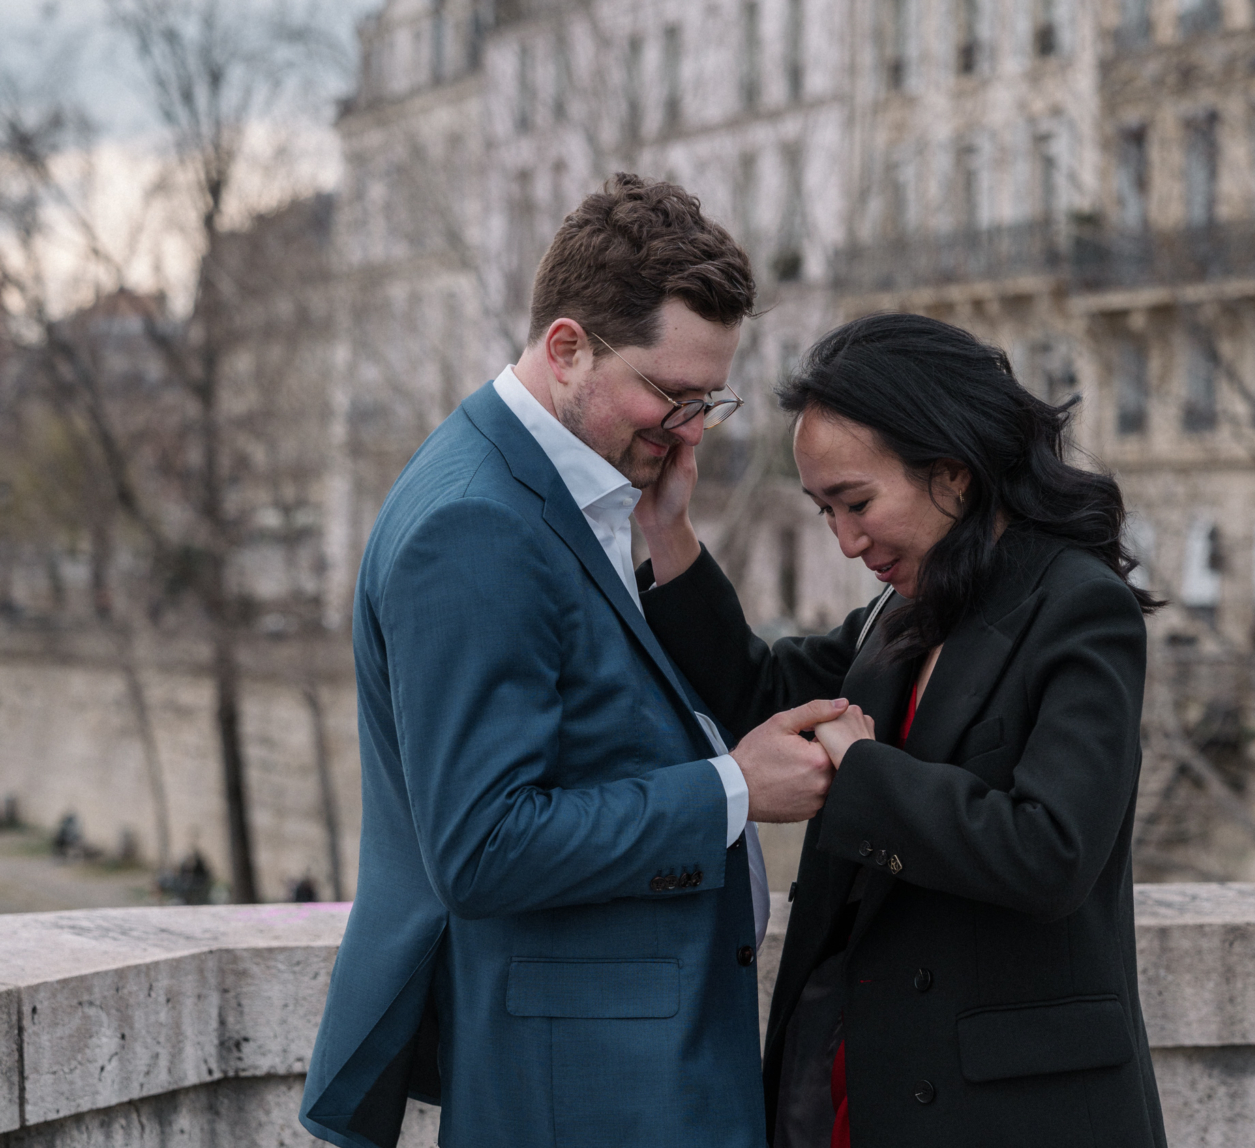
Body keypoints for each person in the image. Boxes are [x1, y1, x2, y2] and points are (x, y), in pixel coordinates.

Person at [300, 175, 842, 1148]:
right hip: (583, 1081)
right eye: (671, 395)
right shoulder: (474, 522)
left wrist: (666, 534)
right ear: (567, 348)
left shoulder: (563, 488)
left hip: (623, 1056)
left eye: (708, 399)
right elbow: (483, 844)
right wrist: (732, 787)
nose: (690, 430)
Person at [636, 313, 1170, 1148]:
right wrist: (666, 530)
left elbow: (1053, 852)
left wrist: (864, 771)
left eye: (857, 503)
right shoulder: (905, 608)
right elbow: (763, 691)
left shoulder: (1078, 607)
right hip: (862, 1089)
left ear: (953, 475)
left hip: (1017, 1118)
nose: (848, 541)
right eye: (823, 513)